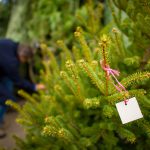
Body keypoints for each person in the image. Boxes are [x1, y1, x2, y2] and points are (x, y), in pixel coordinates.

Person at [0, 39, 45, 138]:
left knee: (8, 84)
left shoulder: (10, 43)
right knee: (7, 99)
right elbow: (18, 81)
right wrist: (34, 86)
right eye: (25, 60)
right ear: (22, 56)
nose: (24, 63)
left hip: (2, 69)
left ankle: (2, 115)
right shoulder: (11, 63)